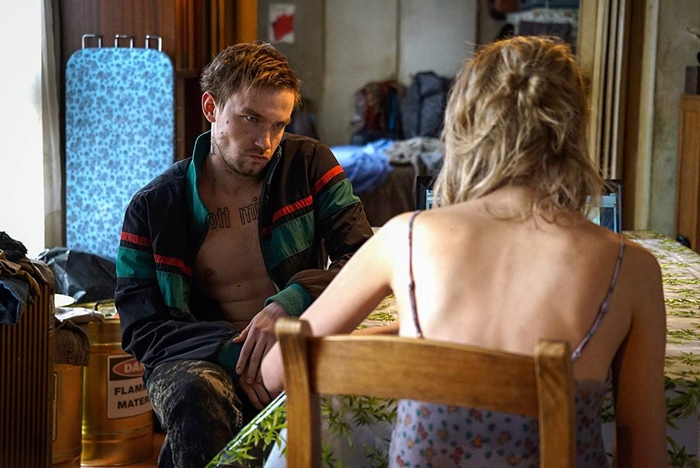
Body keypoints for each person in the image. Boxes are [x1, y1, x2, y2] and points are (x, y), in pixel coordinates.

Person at [262, 36, 668, 467]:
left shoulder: (406, 238)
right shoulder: (631, 267)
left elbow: (276, 371)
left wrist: (412, 337)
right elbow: (643, 451)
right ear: (573, 131)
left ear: (464, 126)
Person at [114, 41, 373, 468]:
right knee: (197, 393)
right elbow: (140, 327)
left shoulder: (309, 164)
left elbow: (364, 257)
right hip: (196, 355)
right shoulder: (154, 207)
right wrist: (233, 354)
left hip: (295, 339)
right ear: (211, 108)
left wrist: (290, 303)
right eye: (251, 119)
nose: (264, 141)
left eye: (278, 125)